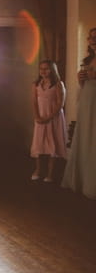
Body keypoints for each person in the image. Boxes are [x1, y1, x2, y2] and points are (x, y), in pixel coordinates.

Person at [61, 27, 96, 199]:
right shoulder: (88, 59)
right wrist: (81, 80)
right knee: (85, 135)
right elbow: (85, 83)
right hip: (88, 98)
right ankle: (82, 179)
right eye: (90, 38)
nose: (92, 40)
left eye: (95, 37)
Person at [30, 60, 67, 182]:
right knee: (38, 144)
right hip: (40, 118)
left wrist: (49, 117)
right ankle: (38, 170)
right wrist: (37, 117)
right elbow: (34, 102)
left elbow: (60, 104)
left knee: (53, 144)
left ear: (52, 70)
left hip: (53, 118)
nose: (43, 71)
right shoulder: (36, 84)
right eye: (41, 69)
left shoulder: (58, 84)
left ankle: (50, 174)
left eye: (46, 69)